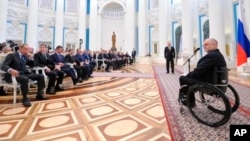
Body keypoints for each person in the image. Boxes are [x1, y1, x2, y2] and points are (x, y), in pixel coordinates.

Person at [179, 38, 227, 106]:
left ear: (214, 45)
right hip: (215, 81)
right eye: (204, 45)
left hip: (207, 83)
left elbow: (198, 72)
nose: (204, 46)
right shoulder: (218, 55)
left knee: (183, 78)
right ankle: (189, 98)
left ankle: (189, 101)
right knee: (188, 77)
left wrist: (188, 75)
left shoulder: (211, 56)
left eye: (206, 44)